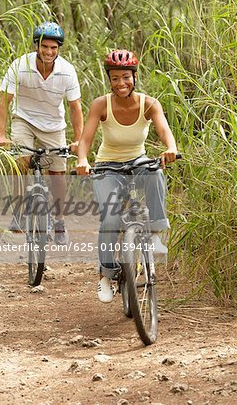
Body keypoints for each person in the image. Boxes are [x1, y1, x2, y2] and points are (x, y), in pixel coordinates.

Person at [76, 49, 178, 302]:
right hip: (107, 164)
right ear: (109, 80)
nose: (120, 83)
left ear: (134, 76)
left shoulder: (149, 103)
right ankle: (106, 275)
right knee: (110, 219)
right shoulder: (101, 104)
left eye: (125, 77)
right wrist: (82, 160)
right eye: (114, 78)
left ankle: (155, 235)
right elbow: (86, 138)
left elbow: (163, 129)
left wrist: (171, 148)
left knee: (155, 172)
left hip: (138, 160)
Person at [0, 21, 83, 244]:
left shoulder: (67, 71)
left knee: (57, 172)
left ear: (59, 49)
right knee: (20, 162)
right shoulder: (20, 65)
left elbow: (75, 108)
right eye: (45, 46)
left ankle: (60, 220)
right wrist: (1, 135)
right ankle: (19, 210)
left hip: (54, 124)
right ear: (37, 45)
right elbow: (4, 101)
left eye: (54, 48)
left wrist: (78, 140)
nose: (49, 52)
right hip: (24, 119)